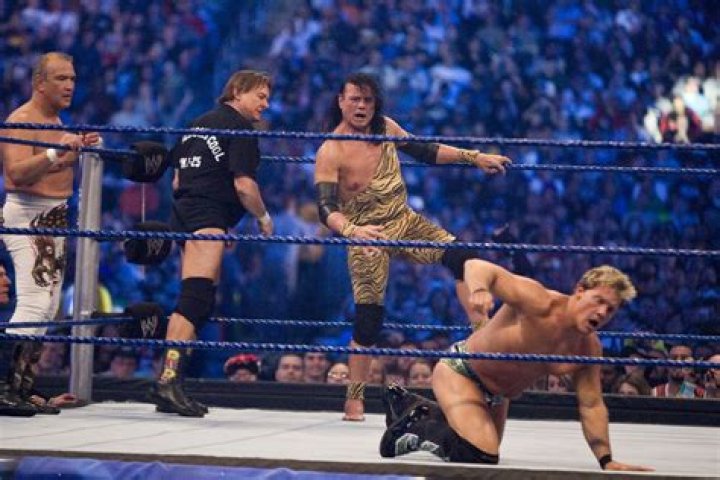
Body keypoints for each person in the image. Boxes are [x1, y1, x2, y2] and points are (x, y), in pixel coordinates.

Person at [314, 73, 511, 421]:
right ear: (341, 102)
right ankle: (354, 401)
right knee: (368, 319)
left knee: (463, 257)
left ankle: (483, 345)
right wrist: (353, 231)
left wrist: (474, 157)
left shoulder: (386, 127)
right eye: (355, 99)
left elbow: (425, 151)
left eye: (368, 100)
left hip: (405, 223)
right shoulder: (331, 151)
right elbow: (325, 207)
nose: (361, 106)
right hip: (368, 235)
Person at [379, 261, 653, 472]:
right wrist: (480, 290)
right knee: (482, 454)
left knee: (480, 453)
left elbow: (591, 404)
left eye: (611, 309)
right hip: (463, 372)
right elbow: (477, 266)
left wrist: (606, 460)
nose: (602, 312)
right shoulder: (539, 302)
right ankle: (417, 427)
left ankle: (413, 407)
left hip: (498, 397)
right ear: (580, 291)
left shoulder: (587, 348)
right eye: (599, 301)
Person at [149, 70, 273, 417]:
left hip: (187, 213)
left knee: (199, 299)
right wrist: (263, 218)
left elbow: (177, 181)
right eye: (260, 96)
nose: (266, 104)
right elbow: (244, 186)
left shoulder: (197, 124)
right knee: (196, 297)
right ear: (237, 91)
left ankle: (171, 381)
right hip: (206, 214)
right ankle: (167, 381)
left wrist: (221, 223)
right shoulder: (239, 128)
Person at [1, 52, 99, 415]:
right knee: (33, 303)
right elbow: (16, 174)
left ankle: (22, 386)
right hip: (26, 217)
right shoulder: (21, 120)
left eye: (72, 78)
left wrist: (78, 148)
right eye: (61, 78)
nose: (70, 85)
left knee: (48, 307)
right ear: (39, 83)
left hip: (54, 220)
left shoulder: (56, 121)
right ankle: (3, 387)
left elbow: (54, 167)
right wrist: (57, 152)